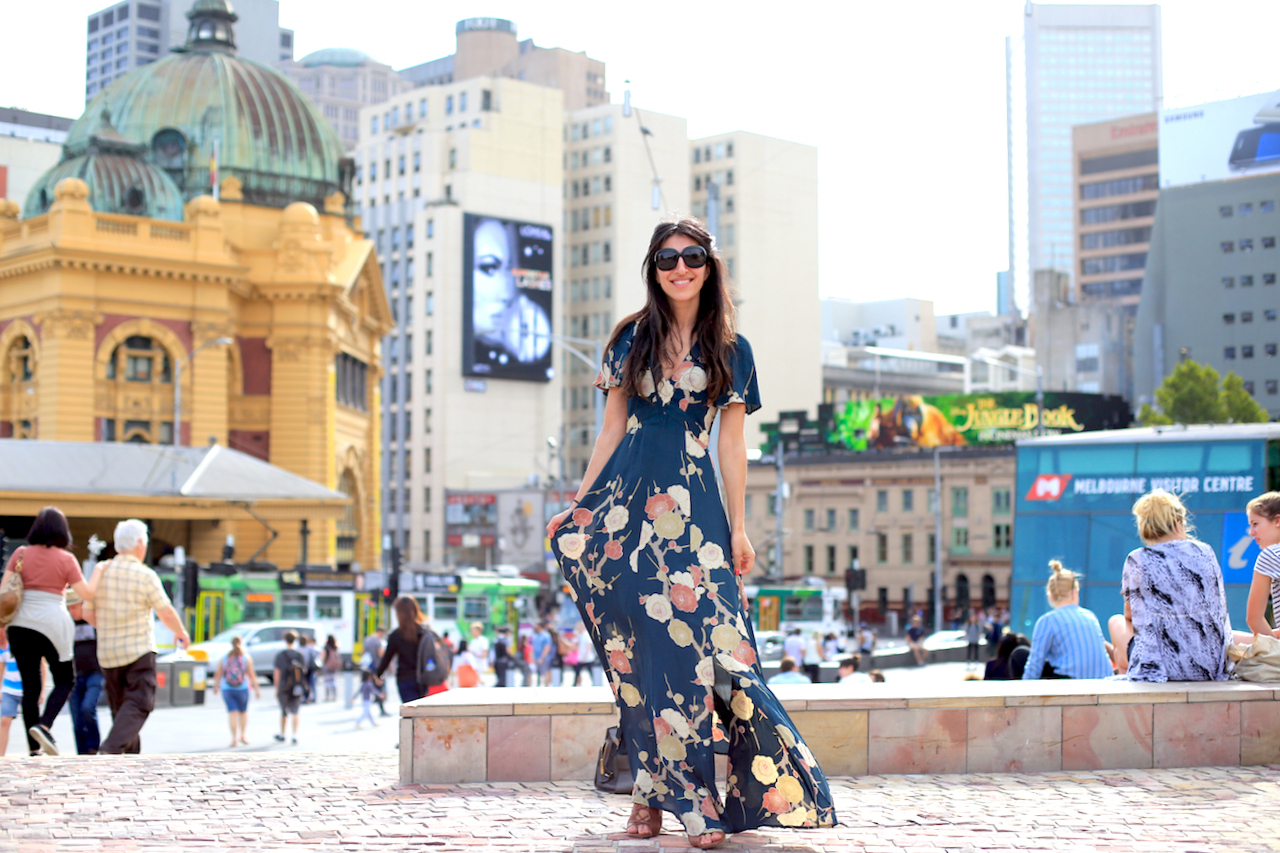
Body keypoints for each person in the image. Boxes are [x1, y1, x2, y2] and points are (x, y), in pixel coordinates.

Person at [546, 219, 836, 847]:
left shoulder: (735, 349)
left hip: (698, 515)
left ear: (710, 265)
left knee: (711, 657)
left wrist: (739, 529)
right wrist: (580, 506)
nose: (680, 268)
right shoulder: (629, 338)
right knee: (640, 657)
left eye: (692, 257)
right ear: (653, 268)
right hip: (627, 511)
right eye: (667, 258)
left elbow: (733, 446)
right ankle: (650, 804)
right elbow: (611, 429)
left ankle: (706, 800)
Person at [85, 518, 190, 754]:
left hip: (108, 654)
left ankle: (130, 760)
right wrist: (180, 632)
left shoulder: (101, 571)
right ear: (140, 543)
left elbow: (86, 612)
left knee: (122, 710)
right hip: (138, 650)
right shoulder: (145, 575)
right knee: (140, 702)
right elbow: (165, 610)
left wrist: (110, 627)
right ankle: (110, 749)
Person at [1107, 490, 1233, 682]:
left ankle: (1131, 686)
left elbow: (1129, 615)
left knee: (1116, 622)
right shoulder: (1206, 552)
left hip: (1162, 668)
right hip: (1210, 665)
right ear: (1178, 522)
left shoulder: (1137, 559)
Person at [0, 507, 98, 755]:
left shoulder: (20, 553)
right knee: (65, 679)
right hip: (53, 623)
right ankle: (44, 726)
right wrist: (97, 573)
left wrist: (2, 627)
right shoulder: (66, 559)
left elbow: (4, 592)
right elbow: (86, 594)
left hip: (20, 625)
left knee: (30, 688)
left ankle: (34, 750)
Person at [1022, 561, 1112, 680]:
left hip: (1071, 685)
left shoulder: (1048, 621)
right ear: (1074, 592)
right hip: (1102, 683)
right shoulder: (1090, 616)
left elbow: (1034, 664)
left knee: (1019, 655)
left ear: (1050, 597)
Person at [375, 596, 447, 703]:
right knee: (421, 712)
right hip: (424, 678)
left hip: (404, 679)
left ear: (399, 613)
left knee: (410, 713)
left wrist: (378, 674)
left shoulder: (396, 635)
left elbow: (387, 657)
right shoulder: (424, 632)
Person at [65, 589, 103, 754]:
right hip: (73, 675)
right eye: (69, 608)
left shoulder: (94, 620)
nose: (72, 611)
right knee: (76, 717)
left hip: (95, 672)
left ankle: (94, 746)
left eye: (75, 607)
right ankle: (81, 752)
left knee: (88, 708)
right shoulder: (66, 624)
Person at [1244, 492, 1280, 641]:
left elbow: (1254, 619)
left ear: (1278, 520)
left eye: (1256, 524)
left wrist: (1274, 653)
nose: (1252, 533)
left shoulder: (1271, 555)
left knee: (1227, 640)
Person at [213, 634, 260, 747]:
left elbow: (218, 673)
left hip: (227, 688)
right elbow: (251, 674)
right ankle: (243, 735)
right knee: (243, 712)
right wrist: (257, 688)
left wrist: (215, 685)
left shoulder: (224, 657)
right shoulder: (245, 657)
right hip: (242, 688)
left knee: (232, 713)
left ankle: (234, 738)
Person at [272, 630, 305, 744]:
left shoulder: (281, 655)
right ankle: (295, 735)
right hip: (297, 687)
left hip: (284, 686)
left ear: (285, 640)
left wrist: (277, 688)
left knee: (284, 711)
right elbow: (303, 671)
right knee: (295, 711)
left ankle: (282, 734)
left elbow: (277, 673)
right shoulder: (300, 655)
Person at [0, 626, 26, 756]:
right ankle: (1, 755)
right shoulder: (3, 647)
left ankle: (35, 751)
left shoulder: (26, 642)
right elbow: (1, 669)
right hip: (9, 688)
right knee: (4, 720)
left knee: (31, 723)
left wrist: (42, 690)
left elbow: (41, 666)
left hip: (27, 688)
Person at [360, 627, 390, 716]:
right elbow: (381, 655)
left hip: (369, 667)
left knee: (370, 686)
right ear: (381, 632)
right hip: (378, 667)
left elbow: (362, 652)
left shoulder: (367, 639)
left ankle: (370, 706)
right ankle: (382, 709)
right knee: (380, 686)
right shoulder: (378, 641)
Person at [532, 622, 554, 687]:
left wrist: (542, 658)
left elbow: (547, 647)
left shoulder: (546, 636)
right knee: (538, 674)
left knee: (545, 673)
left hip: (544, 658)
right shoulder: (535, 635)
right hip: (536, 658)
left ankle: (546, 686)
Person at [300, 634, 320, 704]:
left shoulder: (298, 648)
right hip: (310, 668)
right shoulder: (309, 648)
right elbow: (317, 652)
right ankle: (312, 697)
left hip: (302, 668)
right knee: (311, 683)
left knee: (303, 683)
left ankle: (304, 696)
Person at [321, 635, 341, 702]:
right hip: (334, 666)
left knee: (327, 681)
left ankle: (327, 696)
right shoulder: (335, 647)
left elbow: (323, 658)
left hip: (327, 666)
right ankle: (334, 695)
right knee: (333, 680)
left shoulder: (326, 648)